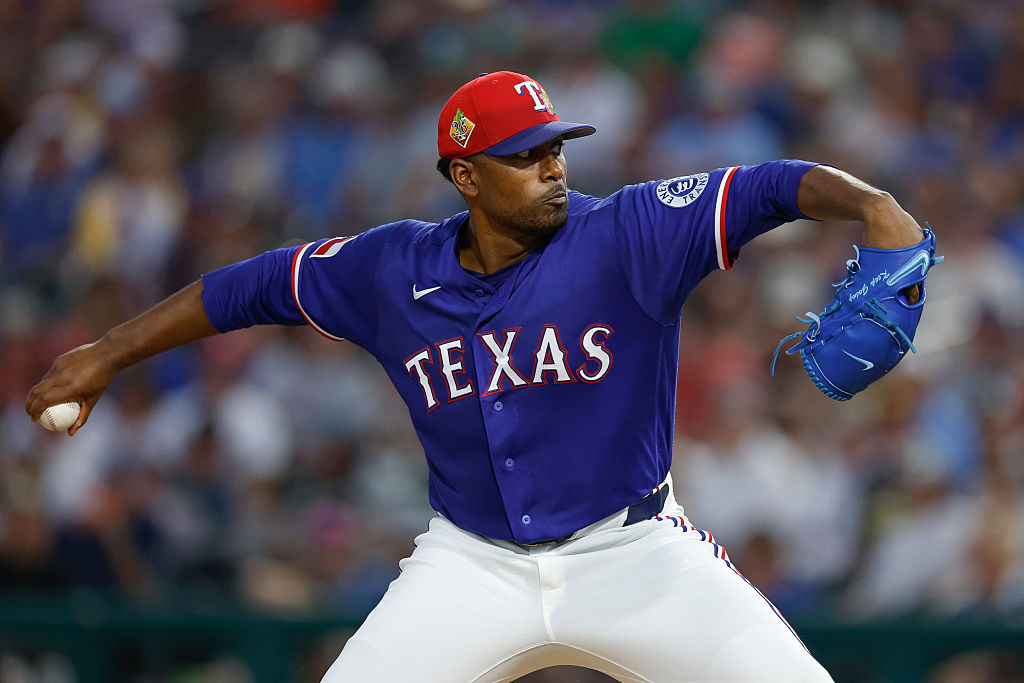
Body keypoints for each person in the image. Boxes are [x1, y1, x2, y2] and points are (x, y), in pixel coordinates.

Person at [27, 71, 926, 682]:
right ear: (464, 174)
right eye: (527, 154)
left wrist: (875, 206)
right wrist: (106, 352)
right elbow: (248, 287)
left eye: (556, 146)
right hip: (471, 562)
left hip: (637, 550)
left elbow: (774, 184)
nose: (553, 165)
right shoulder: (389, 270)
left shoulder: (628, 234)